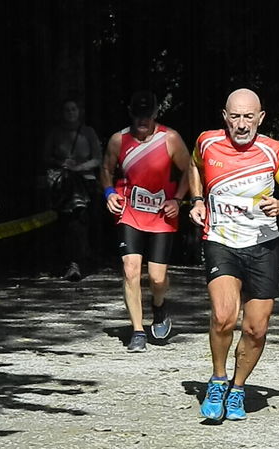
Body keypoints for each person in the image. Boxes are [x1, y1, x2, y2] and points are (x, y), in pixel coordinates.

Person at [188, 88, 279, 421]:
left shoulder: (273, 151)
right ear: (224, 116)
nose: (241, 124)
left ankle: (238, 388)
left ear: (261, 118)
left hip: (262, 245)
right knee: (224, 316)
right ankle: (218, 379)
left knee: (256, 329)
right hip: (220, 240)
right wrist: (196, 200)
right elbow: (193, 167)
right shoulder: (207, 143)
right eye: (235, 116)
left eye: (248, 117)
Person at [101, 91, 190, 352]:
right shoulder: (119, 140)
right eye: (138, 116)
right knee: (130, 268)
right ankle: (138, 331)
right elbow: (106, 168)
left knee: (157, 278)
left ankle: (159, 307)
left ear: (154, 114)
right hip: (129, 211)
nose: (142, 121)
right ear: (131, 114)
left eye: (147, 116)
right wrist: (109, 193)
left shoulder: (170, 138)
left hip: (162, 213)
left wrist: (178, 199)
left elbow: (190, 168)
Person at [44, 99, 102, 281]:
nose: (70, 113)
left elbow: (98, 158)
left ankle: (79, 261)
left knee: (81, 221)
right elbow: (45, 156)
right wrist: (62, 164)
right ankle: (67, 262)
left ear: (79, 111)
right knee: (65, 223)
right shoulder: (55, 133)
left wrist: (80, 167)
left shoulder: (88, 132)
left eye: (73, 109)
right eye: (67, 110)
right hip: (63, 184)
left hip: (85, 182)